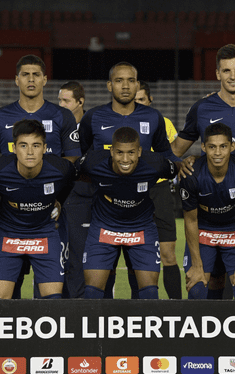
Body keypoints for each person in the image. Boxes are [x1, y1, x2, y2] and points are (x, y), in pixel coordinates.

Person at [173, 44, 235, 299]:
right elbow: (176, 148)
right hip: (211, 201)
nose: (232, 76)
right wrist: (183, 162)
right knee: (215, 276)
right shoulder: (202, 108)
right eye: (226, 70)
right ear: (217, 74)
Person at [0, 55, 80, 298]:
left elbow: (72, 163)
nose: (31, 79)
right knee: (8, 288)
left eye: (36, 75)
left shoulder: (62, 116)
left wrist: (57, 197)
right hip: (11, 212)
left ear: (45, 79)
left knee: (51, 286)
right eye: (25, 74)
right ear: (16, 80)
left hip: (49, 212)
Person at [78, 62, 181, 298]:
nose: (125, 86)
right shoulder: (93, 117)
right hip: (104, 206)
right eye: (119, 80)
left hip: (144, 204)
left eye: (131, 81)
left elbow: (166, 157)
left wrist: (184, 164)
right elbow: (86, 158)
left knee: (144, 286)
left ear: (137, 84)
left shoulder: (154, 117)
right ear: (109, 85)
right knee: (101, 281)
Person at [76, 127, 178, 299]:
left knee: (150, 293)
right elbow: (71, 175)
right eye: (119, 153)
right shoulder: (93, 162)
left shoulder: (156, 163)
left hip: (141, 227)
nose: (125, 159)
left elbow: (177, 170)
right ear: (111, 151)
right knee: (92, 293)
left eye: (131, 152)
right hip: (104, 226)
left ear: (139, 151)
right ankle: (100, 326)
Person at [0, 119, 76, 299]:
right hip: (8, 234)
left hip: (44, 233)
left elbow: (68, 184)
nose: (29, 152)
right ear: (13, 148)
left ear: (44, 148)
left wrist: (58, 201)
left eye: (36, 145)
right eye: (23, 145)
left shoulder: (61, 169)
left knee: (53, 301)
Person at [180, 123, 235, 299]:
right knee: (196, 290)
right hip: (204, 230)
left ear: (232, 146)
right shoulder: (192, 175)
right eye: (212, 147)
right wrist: (197, 265)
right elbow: (191, 221)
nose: (217, 153)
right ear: (203, 147)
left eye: (223, 146)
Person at [134, 81, 182, 299]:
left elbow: (173, 157)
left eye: (142, 99)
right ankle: (137, 308)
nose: (138, 104)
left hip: (160, 190)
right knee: (133, 254)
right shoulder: (121, 124)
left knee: (168, 254)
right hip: (130, 191)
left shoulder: (163, 123)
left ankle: (176, 307)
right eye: (134, 100)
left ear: (150, 101)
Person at [57, 81, 91, 298]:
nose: (60, 105)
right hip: (57, 195)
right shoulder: (54, 125)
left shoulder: (92, 125)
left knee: (79, 258)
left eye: (65, 101)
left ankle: (79, 311)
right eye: (59, 100)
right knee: (56, 255)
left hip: (85, 198)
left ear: (80, 102)